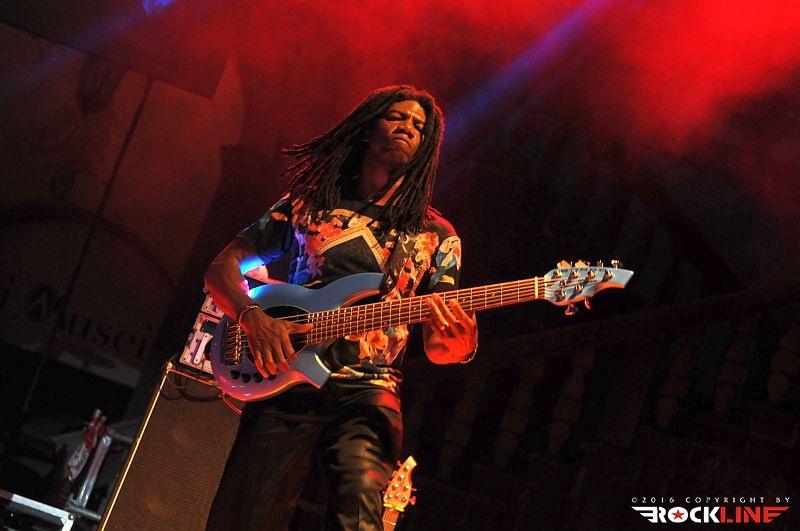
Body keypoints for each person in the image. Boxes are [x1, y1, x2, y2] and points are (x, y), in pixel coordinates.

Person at [204, 85, 478, 530]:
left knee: (360, 520)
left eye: (419, 126)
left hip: (369, 389)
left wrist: (461, 345)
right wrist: (252, 317)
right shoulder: (310, 205)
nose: (408, 128)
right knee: (242, 517)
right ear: (368, 128)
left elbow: (437, 348)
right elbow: (221, 269)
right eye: (396, 117)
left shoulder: (436, 235)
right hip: (288, 374)